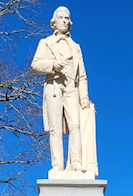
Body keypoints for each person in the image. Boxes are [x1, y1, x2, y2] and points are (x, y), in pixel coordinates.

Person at [31, 6, 92, 173]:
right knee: (55, 127)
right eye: (61, 18)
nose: (64, 20)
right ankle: (57, 165)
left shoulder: (76, 46)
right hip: (54, 86)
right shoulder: (45, 43)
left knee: (75, 126)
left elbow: (83, 76)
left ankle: (76, 163)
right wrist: (52, 65)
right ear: (54, 22)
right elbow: (35, 65)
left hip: (72, 88)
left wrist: (84, 96)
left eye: (67, 18)